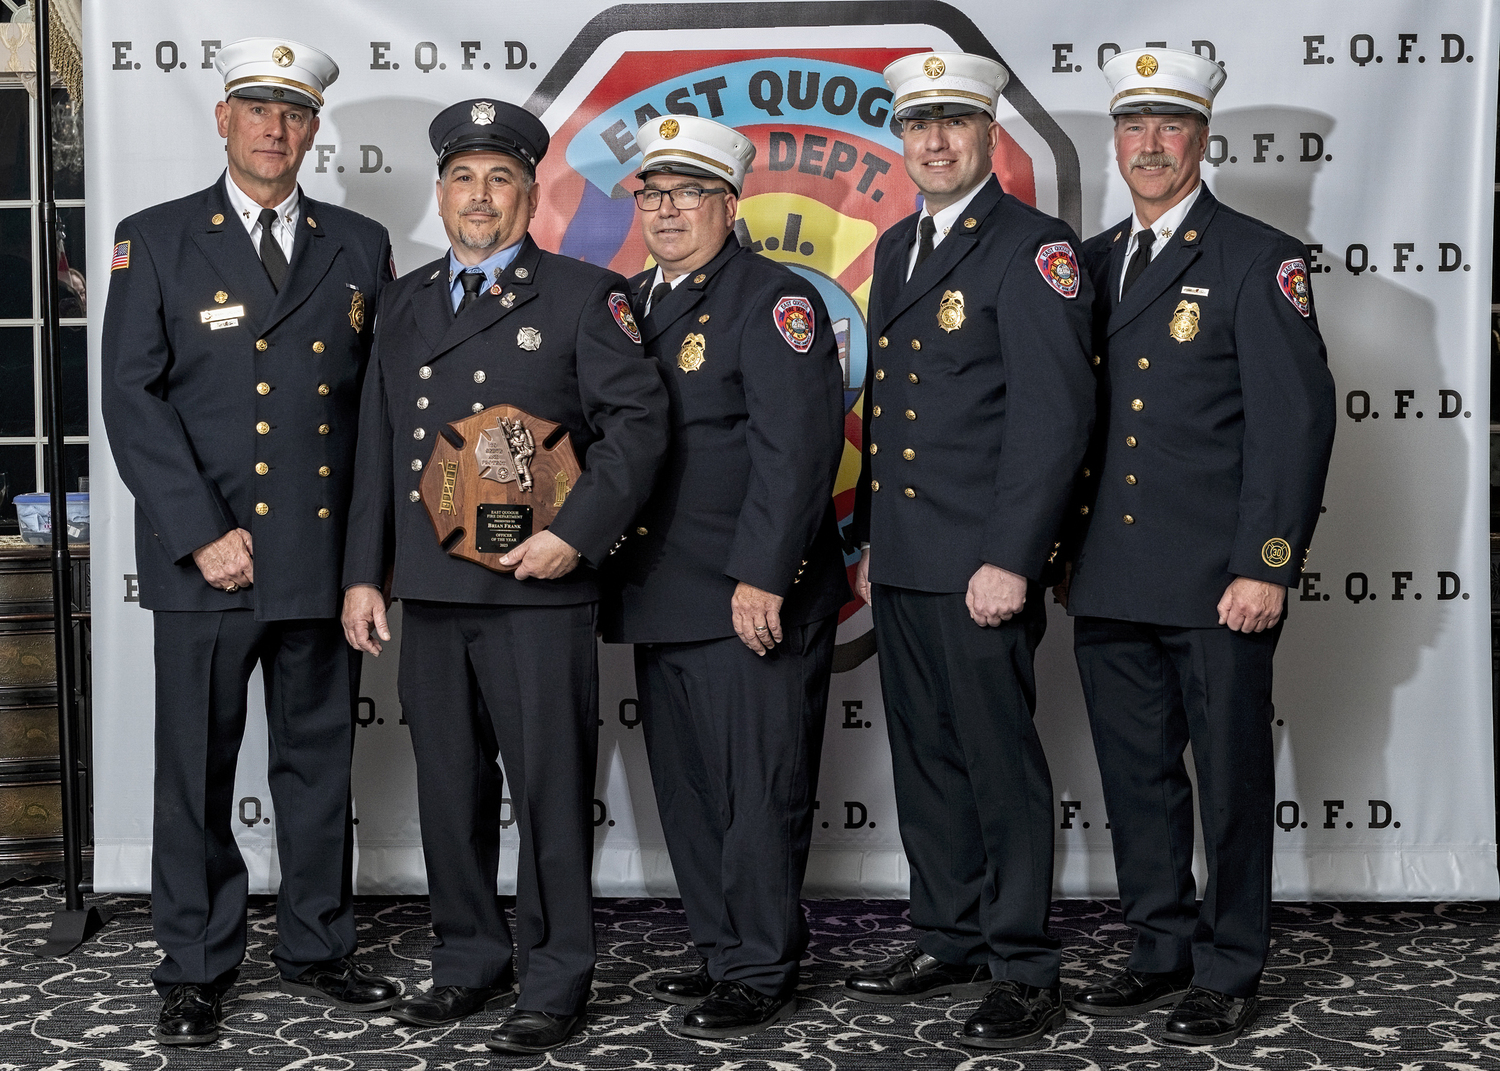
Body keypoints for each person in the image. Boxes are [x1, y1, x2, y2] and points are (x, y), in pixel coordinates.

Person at [340, 98, 668, 1056]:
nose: (478, 197)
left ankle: (558, 975)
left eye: (499, 179)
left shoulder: (582, 293)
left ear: (531, 193)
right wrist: (366, 576)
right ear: (438, 192)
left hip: (540, 589)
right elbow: (376, 448)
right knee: (449, 791)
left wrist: (576, 534)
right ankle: (468, 961)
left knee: (550, 789)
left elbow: (638, 429)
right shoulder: (400, 304)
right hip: (434, 594)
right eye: (461, 178)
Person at [100, 38, 400, 1046]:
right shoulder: (156, 239)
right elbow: (130, 400)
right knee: (194, 774)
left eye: (296, 112)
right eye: (259, 109)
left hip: (317, 563)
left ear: (313, 129)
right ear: (222, 118)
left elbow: (376, 419)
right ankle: (193, 966)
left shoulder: (359, 244)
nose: (277, 129)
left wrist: (367, 564)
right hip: (207, 564)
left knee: (318, 769)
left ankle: (318, 948)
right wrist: (198, 533)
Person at [1062, 48, 1337, 1045]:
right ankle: (1158, 947)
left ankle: (1228, 963)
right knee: (1135, 778)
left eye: (1168, 127)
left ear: (1202, 141)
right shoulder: (1090, 265)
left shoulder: (1258, 258)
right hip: (1109, 574)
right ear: (1116, 142)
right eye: (1133, 128)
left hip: (1219, 580)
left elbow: (1294, 425)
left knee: (1227, 782)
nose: (1149, 146)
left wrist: (1267, 562)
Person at [842, 51, 1095, 1050]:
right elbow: (894, 413)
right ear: (902, 138)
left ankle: (1025, 962)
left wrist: (1013, 557)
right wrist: (872, 540)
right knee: (927, 758)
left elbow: (1052, 419)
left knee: (999, 765)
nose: (935, 142)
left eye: (955, 123)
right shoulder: (899, 245)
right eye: (918, 125)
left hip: (983, 563)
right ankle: (948, 933)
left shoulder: (1035, 249)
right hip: (905, 556)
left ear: (991, 136)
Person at [600, 115, 849, 1038]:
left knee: (758, 789)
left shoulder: (772, 299)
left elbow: (798, 450)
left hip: (750, 594)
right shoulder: (632, 302)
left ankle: (760, 962)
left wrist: (764, 576)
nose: (667, 211)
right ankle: (720, 947)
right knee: (692, 790)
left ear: (729, 204)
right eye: (652, 194)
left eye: (689, 194)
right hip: (663, 591)